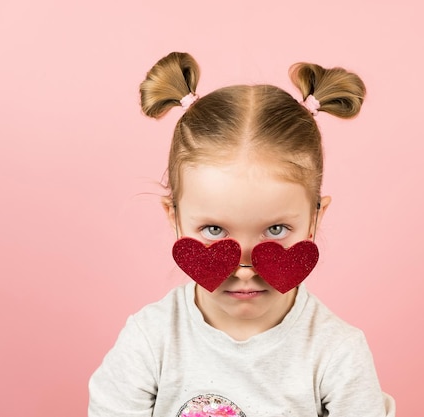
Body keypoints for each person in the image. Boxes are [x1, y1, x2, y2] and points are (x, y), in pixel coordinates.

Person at [88, 52, 395, 417]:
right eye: (214, 230)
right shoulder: (150, 340)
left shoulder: (337, 353)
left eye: (276, 230)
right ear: (174, 218)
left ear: (315, 219)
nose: (245, 267)